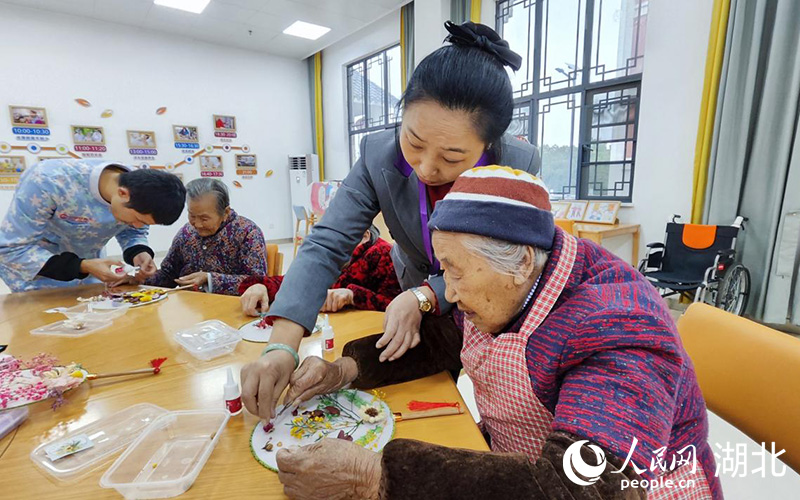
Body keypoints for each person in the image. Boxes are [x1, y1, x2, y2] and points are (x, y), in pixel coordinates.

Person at [272, 167, 721, 500]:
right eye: (443, 268)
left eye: (456, 272)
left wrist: (375, 477)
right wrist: (346, 369)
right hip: (522, 466)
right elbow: (445, 340)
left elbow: (581, 487)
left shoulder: (620, 326)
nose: (446, 290)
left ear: (522, 262)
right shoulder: (513, 281)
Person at [240, 21, 540, 420]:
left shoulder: (516, 165)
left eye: (452, 157)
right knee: (411, 386)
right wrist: (282, 346)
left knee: (473, 399)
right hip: (412, 284)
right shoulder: (377, 155)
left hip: (479, 297)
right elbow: (327, 243)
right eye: (413, 142)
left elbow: (503, 264)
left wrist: (426, 296)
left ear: (489, 144)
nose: (427, 169)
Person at [0, 159, 185, 292]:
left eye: (144, 223)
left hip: (88, 275)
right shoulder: (49, 181)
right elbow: (10, 249)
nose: (138, 226)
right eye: (138, 219)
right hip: (35, 276)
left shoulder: (142, 194)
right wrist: (83, 266)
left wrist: (139, 253)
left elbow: (133, 231)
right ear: (122, 193)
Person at [239, 225, 400, 314]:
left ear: (364, 235)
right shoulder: (330, 253)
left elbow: (397, 307)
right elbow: (297, 281)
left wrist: (352, 296)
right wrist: (261, 286)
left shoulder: (385, 255)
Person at [144, 178, 267, 295]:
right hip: (191, 307)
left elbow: (257, 283)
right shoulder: (186, 233)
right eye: (192, 216)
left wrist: (209, 279)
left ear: (225, 212)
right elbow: (169, 274)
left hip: (231, 308)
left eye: (204, 218)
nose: (197, 224)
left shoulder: (247, 232)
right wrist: (141, 280)